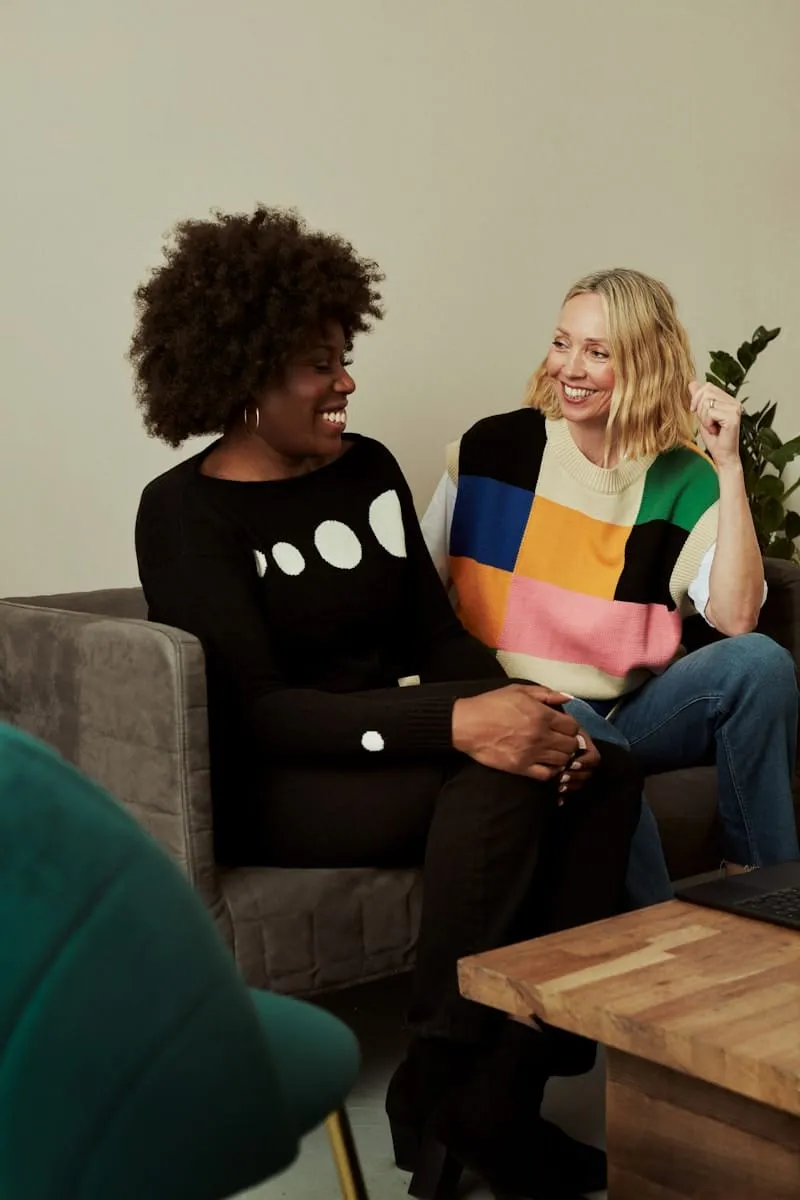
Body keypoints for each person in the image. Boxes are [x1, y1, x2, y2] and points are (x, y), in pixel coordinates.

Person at [131, 208, 643, 1200]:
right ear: (243, 378)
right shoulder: (185, 510)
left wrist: (517, 702)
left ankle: (497, 1091)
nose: (346, 381)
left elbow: (432, 634)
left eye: (343, 357)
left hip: (381, 751)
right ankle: (450, 1091)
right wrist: (457, 724)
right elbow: (259, 712)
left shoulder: (363, 469)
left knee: (597, 764)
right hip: (276, 783)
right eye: (319, 365)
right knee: (497, 780)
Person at [423, 267, 799, 907]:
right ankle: (657, 946)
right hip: (524, 700)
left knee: (760, 662)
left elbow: (739, 619)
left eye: (599, 352)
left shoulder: (686, 478)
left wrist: (730, 465)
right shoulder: (493, 449)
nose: (570, 367)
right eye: (563, 342)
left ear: (646, 365)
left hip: (632, 707)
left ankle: (766, 898)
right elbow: (416, 593)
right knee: (591, 740)